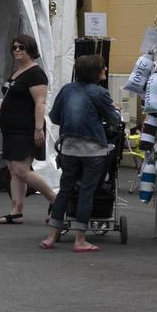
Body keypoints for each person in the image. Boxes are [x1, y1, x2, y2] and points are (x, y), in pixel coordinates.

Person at [40, 55, 120, 253]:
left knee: (65, 189)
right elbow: (114, 121)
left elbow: (55, 117)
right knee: (87, 191)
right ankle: (80, 239)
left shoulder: (67, 90)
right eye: (103, 67)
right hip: (93, 150)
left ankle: (52, 236)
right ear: (96, 71)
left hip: (69, 147)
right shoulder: (100, 93)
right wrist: (113, 112)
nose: (106, 68)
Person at [0, 34, 57, 224]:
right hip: (11, 128)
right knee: (13, 169)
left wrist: (38, 129)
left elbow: (40, 102)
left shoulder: (36, 73)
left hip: (26, 128)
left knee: (21, 169)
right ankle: (16, 211)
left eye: (22, 47)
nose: (17, 50)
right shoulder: (17, 71)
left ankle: (56, 200)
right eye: (14, 47)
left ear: (31, 50)